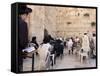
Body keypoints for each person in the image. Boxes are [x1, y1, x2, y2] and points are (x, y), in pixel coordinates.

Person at [18, 4, 32, 72]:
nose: (26, 17)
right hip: (18, 56)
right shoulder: (23, 23)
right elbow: (23, 43)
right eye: (27, 15)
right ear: (23, 14)